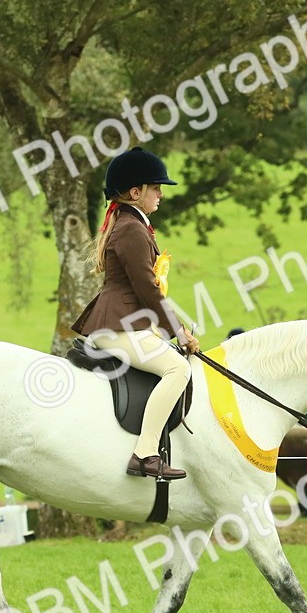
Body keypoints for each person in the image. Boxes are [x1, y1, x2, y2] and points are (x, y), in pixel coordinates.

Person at [72, 147, 199, 480]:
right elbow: (146, 288)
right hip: (119, 326)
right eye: (155, 188)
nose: (160, 194)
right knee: (177, 369)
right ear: (135, 192)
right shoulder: (131, 229)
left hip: (128, 323)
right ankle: (145, 454)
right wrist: (178, 332)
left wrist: (175, 328)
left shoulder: (134, 224)